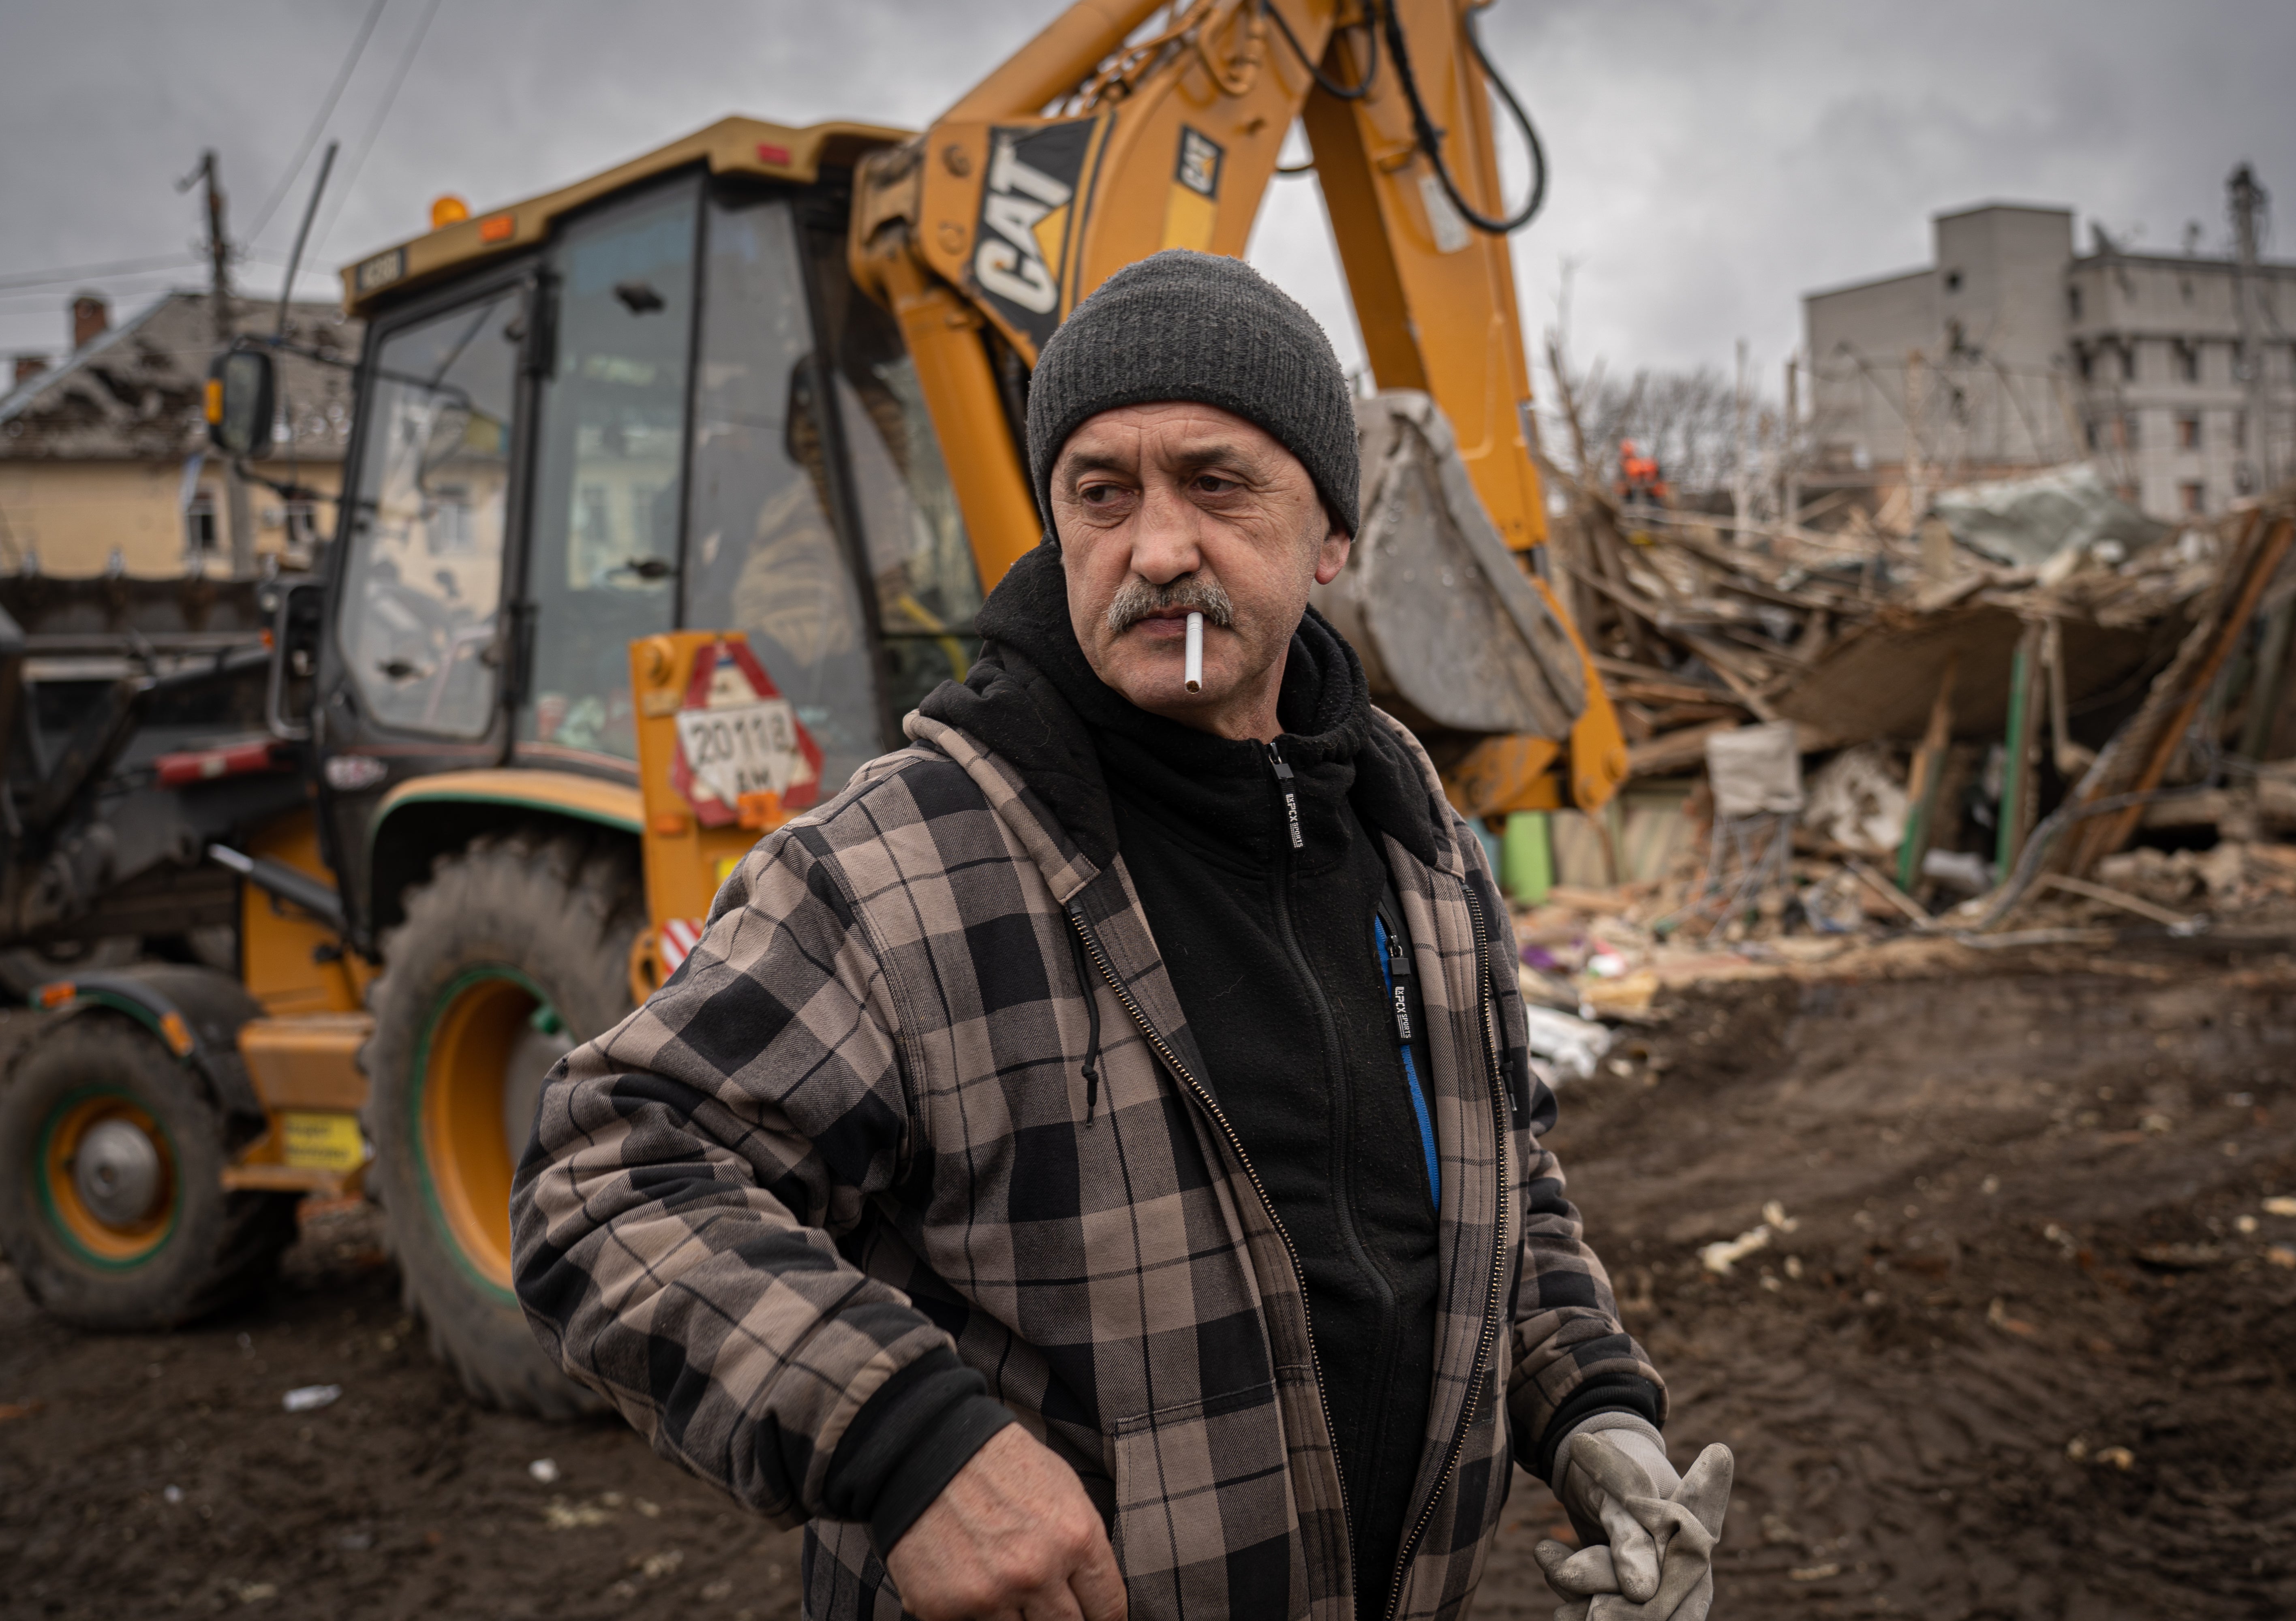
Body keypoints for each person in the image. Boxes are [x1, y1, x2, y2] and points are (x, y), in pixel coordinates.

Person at [510, 250, 1729, 1621]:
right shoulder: (897, 871)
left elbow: (1507, 1178)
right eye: (1103, 494)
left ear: (1330, 537)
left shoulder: (1420, 843)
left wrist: (1591, 1412)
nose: (1155, 549)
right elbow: (605, 1178)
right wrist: (911, 1444)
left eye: (1216, 484)